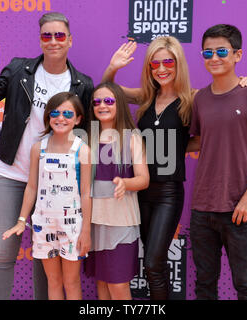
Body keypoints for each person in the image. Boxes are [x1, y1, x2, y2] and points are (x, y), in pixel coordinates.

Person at [102, 37, 247, 300]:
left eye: (168, 62)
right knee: (153, 267)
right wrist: (113, 67)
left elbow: (218, 111)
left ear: (178, 64)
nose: (162, 69)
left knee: (152, 263)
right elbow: (107, 91)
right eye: (155, 63)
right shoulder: (146, 96)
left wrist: (245, 84)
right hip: (138, 191)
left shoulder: (193, 99)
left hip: (168, 194)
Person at [0, 12, 94, 300]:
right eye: (46, 36)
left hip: (55, 182)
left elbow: (85, 136)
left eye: (59, 35)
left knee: (46, 258)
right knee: (2, 255)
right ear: (40, 40)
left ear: (70, 40)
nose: (53, 41)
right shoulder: (18, 70)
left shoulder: (82, 85)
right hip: (12, 174)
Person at [189, 24, 247, 300]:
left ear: (238, 55)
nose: (214, 58)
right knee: (204, 285)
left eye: (222, 51)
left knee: (246, 286)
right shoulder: (199, 98)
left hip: (239, 208)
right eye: (207, 52)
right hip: (202, 208)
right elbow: (200, 141)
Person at [3, 92, 91, 300]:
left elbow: (87, 193)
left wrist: (86, 230)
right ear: (48, 117)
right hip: (43, 226)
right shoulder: (37, 149)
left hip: (73, 228)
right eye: (55, 113)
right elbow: (32, 187)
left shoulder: (83, 150)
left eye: (68, 113)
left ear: (78, 119)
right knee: (53, 281)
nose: (61, 118)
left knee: (71, 282)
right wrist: (21, 220)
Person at [84, 82, 149, 300]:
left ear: (119, 104)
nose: (102, 105)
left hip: (121, 222)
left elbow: (143, 179)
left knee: (118, 286)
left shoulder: (132, 138)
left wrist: (125, 183)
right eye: (97, 102)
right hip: (94, 223)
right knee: (102, 284)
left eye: (109, 101)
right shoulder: (86, 139)